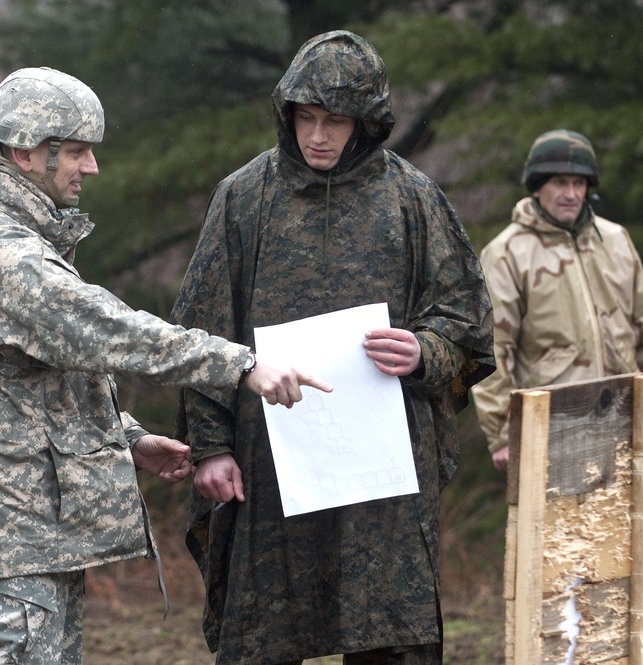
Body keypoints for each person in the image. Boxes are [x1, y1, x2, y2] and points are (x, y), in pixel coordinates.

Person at [0, 66, 331, 665]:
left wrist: (130, 439)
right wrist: (241, 364)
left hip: (35, 537)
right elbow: (111, 331)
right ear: (23, 152)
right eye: (74, 152)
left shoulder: (23, 244)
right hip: (14, 541)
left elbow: (34, 388)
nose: (91, 167)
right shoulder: (2, 255)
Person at [170, 32, 495, 665]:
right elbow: (202, 331)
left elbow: (467, 320)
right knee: (264, 633)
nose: (318, 135)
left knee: (390, 634)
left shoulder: (412, 198)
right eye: (306, 118)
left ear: (366, 123)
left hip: (384, 463)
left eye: (336, 121)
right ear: (286, 114)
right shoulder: (244, 198)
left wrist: (426, 353)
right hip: (270, 459)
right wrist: (209, 447)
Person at [470, 129, 643, 665]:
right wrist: (503, 433)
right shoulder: (507, 253)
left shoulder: (616, 240)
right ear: (537, 187)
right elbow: (492, 351)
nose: (569, 193)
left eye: (578, 183)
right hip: (554, 432)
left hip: (624, 423)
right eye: (558, 183)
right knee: (558, 559)